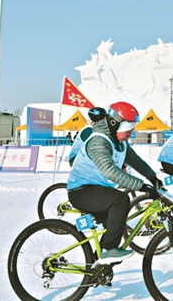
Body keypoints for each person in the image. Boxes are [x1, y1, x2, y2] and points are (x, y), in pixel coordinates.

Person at [67, 101, 162, 264]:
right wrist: (141, 186)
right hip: (81, 191)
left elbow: (135, 161)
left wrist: (153, 178)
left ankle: (96, 267)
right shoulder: (99, 141)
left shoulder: (119, 142)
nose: (130, 135)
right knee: (121, 200)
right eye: (128, 130)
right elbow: (110, 171)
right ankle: (108, 249)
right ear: (114, 124)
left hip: (97, 189)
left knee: (115, 224)